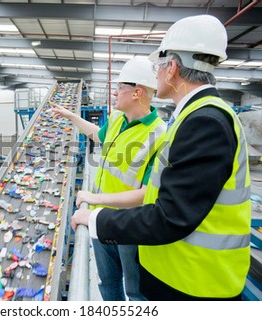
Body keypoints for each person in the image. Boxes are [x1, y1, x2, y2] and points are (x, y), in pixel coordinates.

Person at [71, 14, 251, 301]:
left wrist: (96, 218)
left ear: (172, 68)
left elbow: (170, 216)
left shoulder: (205, 122)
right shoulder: (193, 116)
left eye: (158, 65)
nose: (155, 73)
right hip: (179, 273)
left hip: (194, 285)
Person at [53, 57, 166, 301]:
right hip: (101, 218)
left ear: (137, 92)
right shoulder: (117, 118)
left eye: (120, 88)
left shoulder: (160, 134)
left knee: (136, 290)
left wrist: (94, 198)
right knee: (108, 283)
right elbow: (97, 136)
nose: (115, 92)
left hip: (130, 226)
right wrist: (71, 116)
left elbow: (147, 193)